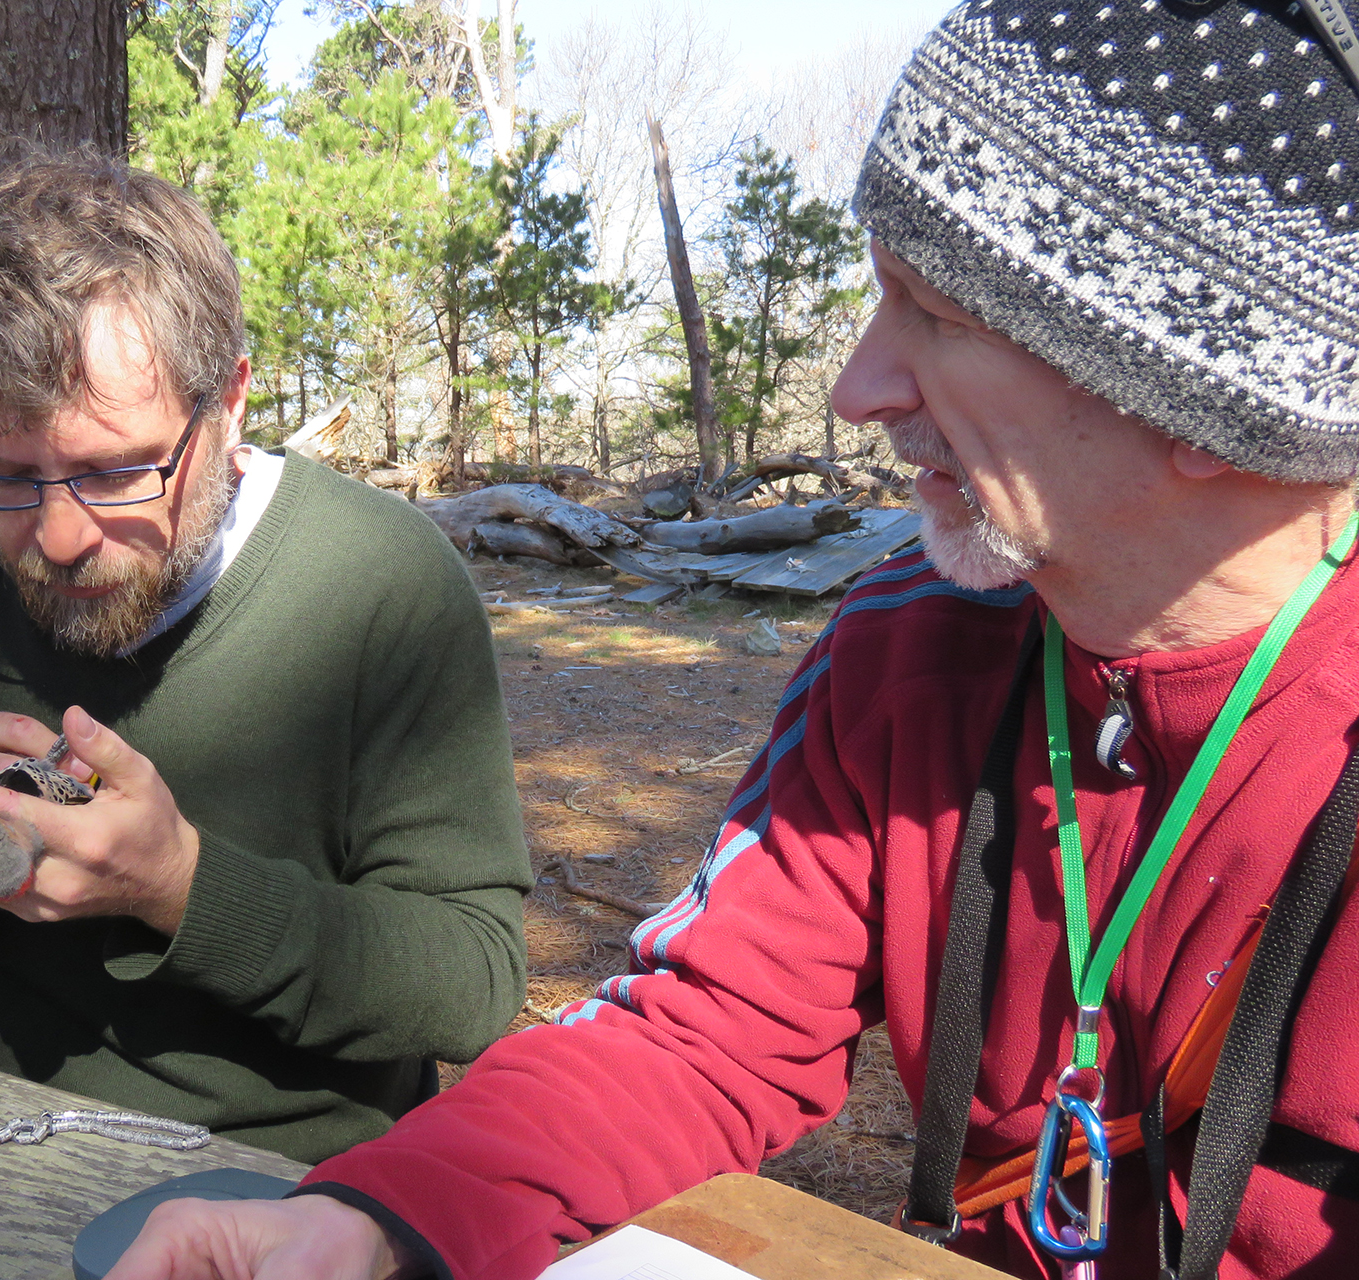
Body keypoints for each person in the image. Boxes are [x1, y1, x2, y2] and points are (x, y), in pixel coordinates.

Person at [105, 2, 1359, 1275]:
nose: (858, 387)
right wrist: (372, 1222)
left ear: (1213, 406)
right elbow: (705, 1031)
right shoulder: (908, 652)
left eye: (945, 318)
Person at [0, 152, 531, 1165]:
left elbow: (470, 980)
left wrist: (181, 884)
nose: (61, 535)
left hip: (289, 1190)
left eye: (116, 470)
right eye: (7, 475)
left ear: (232, 400)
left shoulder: (381, 581)